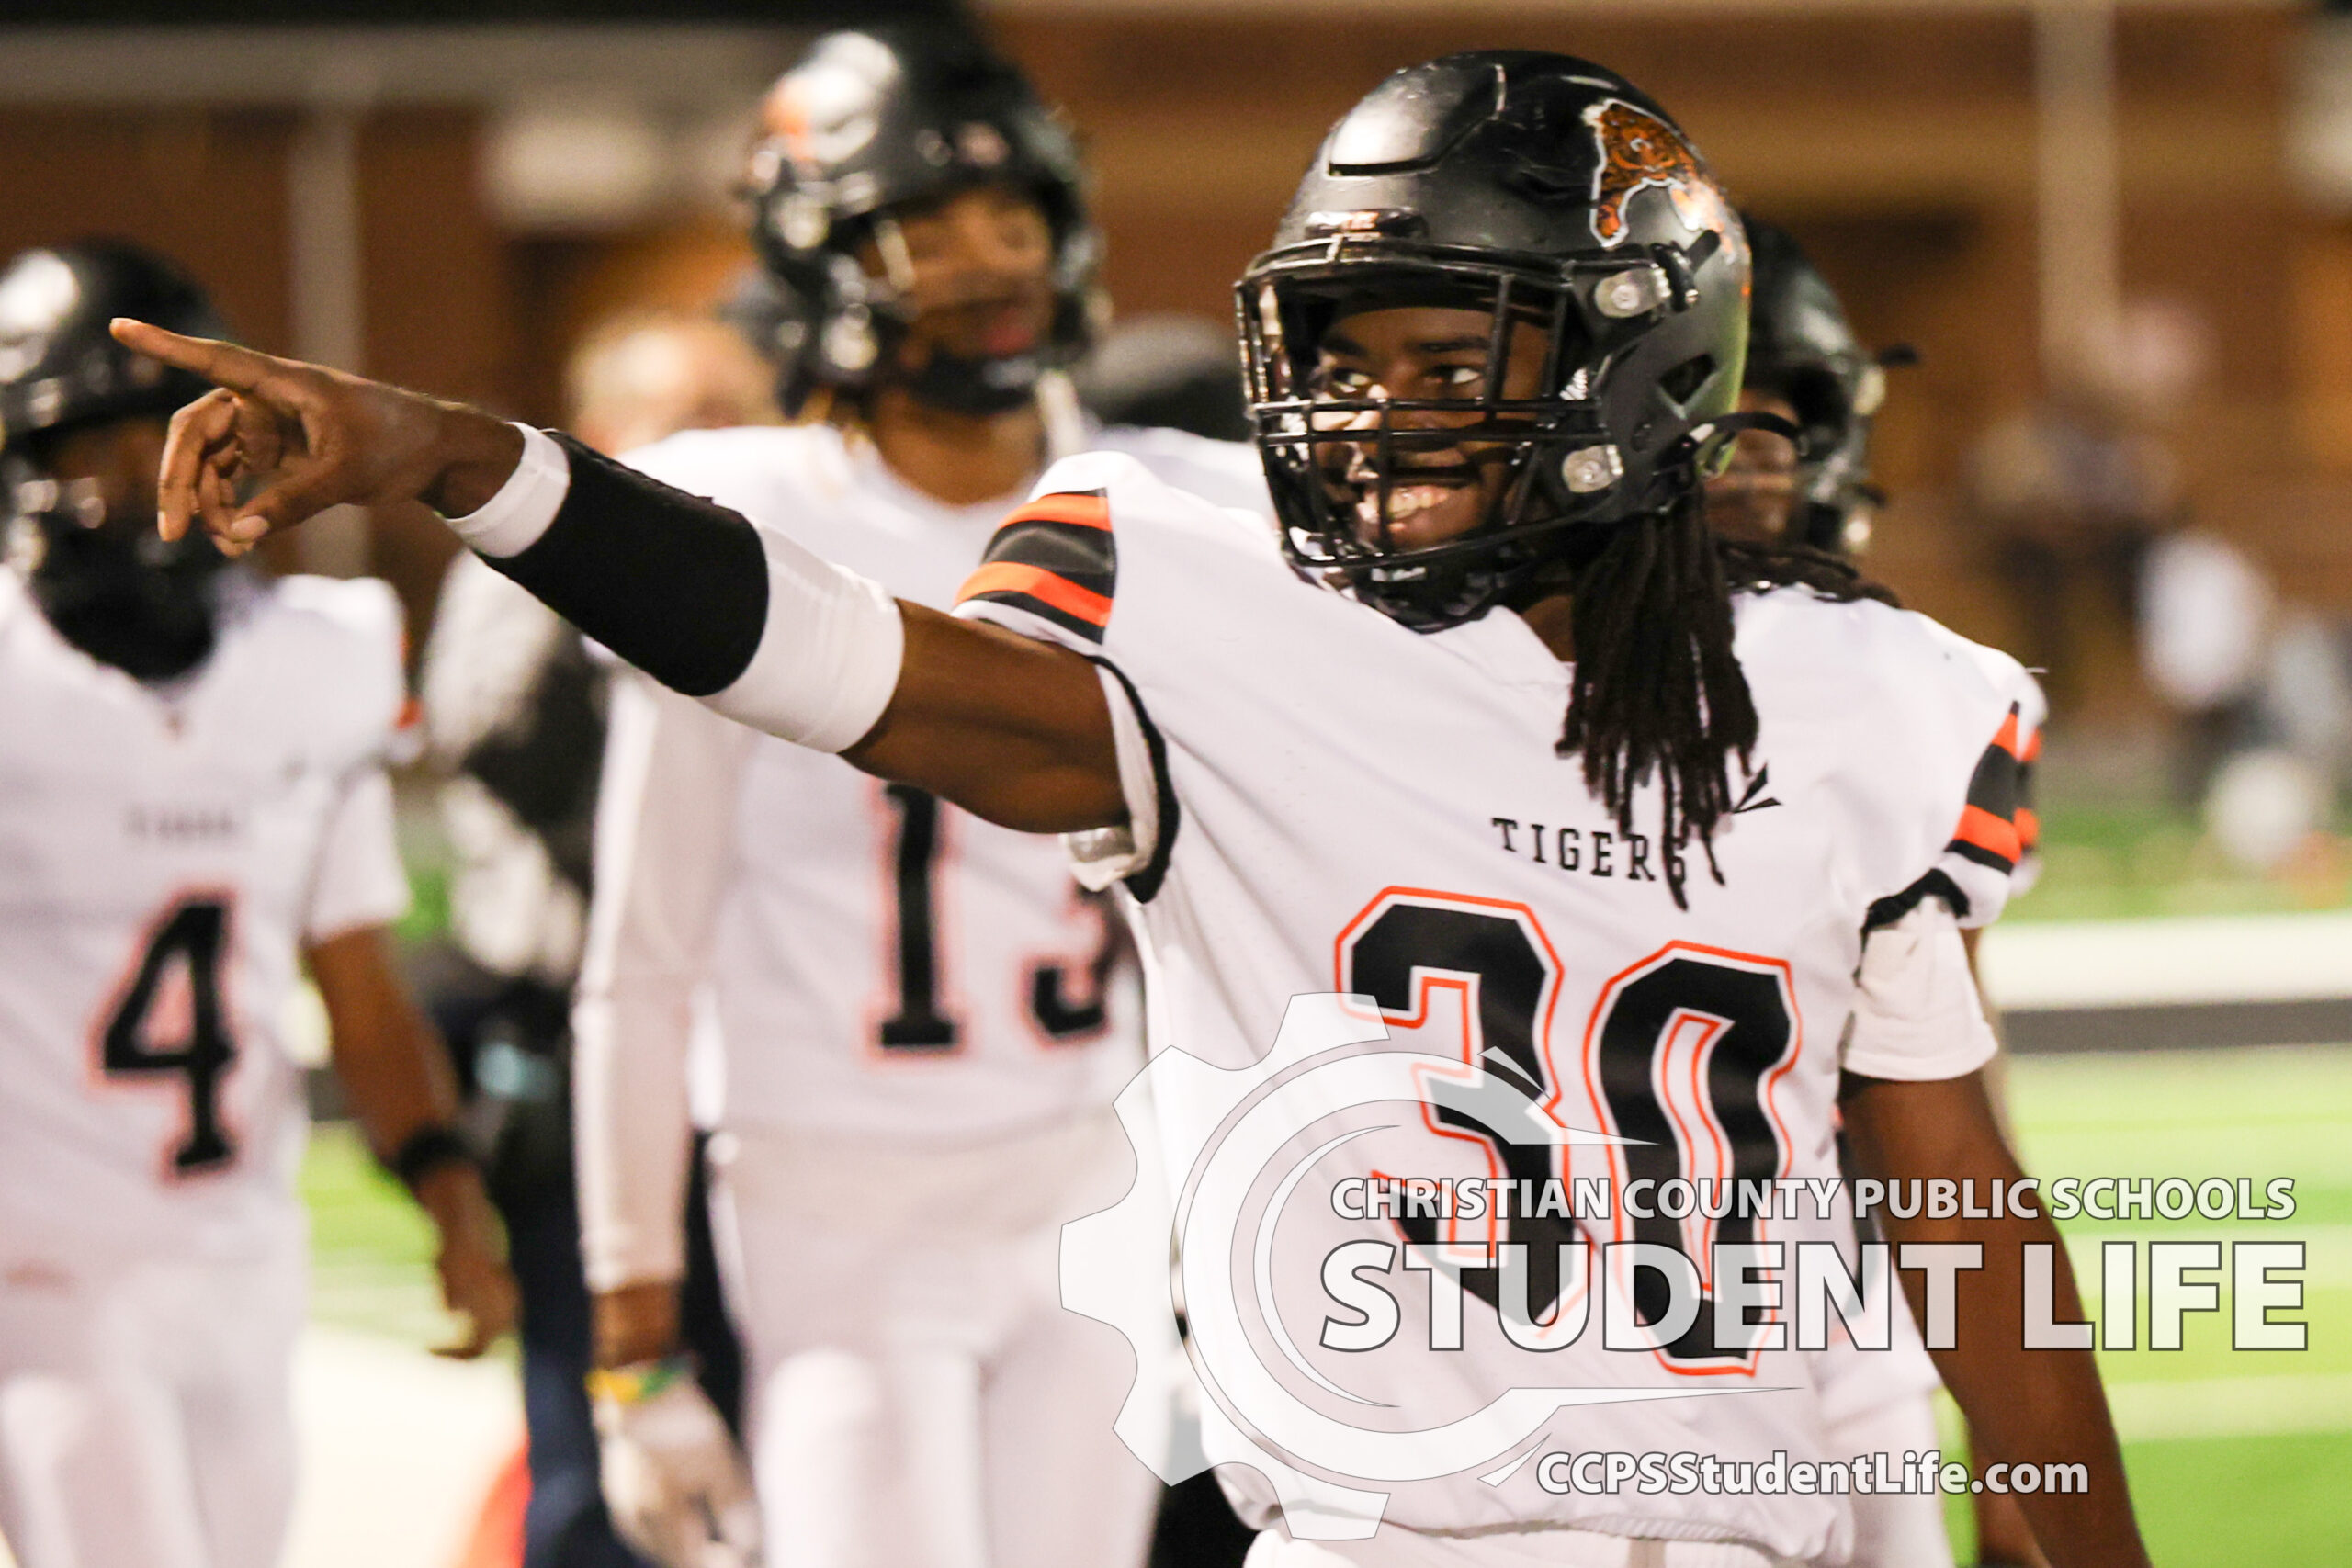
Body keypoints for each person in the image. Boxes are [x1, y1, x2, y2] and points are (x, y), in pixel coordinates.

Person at [120, 49, 2148, 1568]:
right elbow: (826, 655)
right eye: (1341, 357)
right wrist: (467, 460)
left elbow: (1964, 1215)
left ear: (1632, 367)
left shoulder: (1863, 693)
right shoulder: (1225, 608)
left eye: (1452, 357)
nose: (1366, 414)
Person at [570, 29, 1270, 1568]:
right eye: (925, 229)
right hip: (840, 1196)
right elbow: (643, 957)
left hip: (1101, 1180)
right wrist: (634, 1345)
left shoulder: (1171, 505)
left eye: (1013, 219)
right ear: (821, 255)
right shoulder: (739, 514)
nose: (984, 264)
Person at [0, 240, 514, 1568]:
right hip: (40, 1266)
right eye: (90, 441)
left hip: (242, 1251)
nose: (136, 480)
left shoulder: (320, 657)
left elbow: (352, 967)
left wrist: (449, 1191)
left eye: (166, 439)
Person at [1706, 217, 2052, 1568]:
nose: (1724, 473)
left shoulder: (1897, 694)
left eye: (1758, 432)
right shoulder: (1483, 677)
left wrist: (2019, 1468)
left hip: (1836, 1310)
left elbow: (1961, 1099)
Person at [421, 310, 772, 1568]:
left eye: (743, 417)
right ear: (612, 433)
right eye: (700, 420)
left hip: (736, 1047)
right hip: (577, 1043)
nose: (731, 450)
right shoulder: (529, 554)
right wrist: (618, 609)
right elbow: (491, 733)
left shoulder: (767, 563)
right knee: (600, 1405)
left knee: (756, 1403)